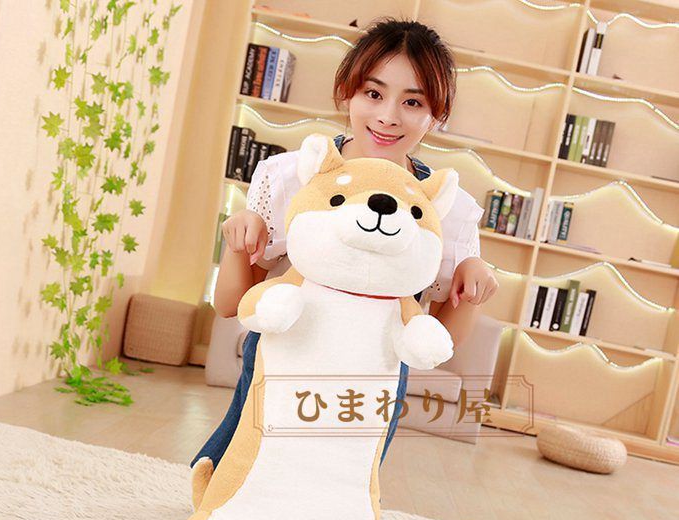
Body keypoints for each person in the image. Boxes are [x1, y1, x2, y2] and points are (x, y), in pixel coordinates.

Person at [191, 18, 499, 470]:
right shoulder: (288, 176)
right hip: (283, 358)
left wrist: (473, 286)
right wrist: (238, 239)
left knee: (344, 484)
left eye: (412, 102)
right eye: (373, 93)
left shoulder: (446, 207)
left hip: (374, 375)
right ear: (347, 92)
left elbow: (440, 341)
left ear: (437, 115)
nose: (388, 116)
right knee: (238, 472)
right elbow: (229, 305)